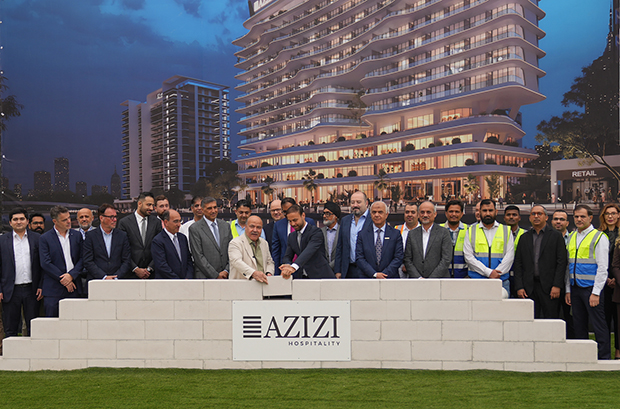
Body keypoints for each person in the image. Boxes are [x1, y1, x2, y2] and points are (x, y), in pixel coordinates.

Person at [566, 204, 611, 359]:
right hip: (575, 288)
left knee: (598, 325)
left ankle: (604, 357)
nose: (579, 219)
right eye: (576, 216)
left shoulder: (599, 237)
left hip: (591, 289)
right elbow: (568, 265)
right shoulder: (572, 236)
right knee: (579, 324)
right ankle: (583, 357)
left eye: (582, 216)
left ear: (590, 218)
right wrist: (568, 289)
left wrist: (596, 292)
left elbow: (603, 267)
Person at [513, 205, 567, 318]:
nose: (536, 216)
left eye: (539, 214)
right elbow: (518, 263)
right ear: (529, 218)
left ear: (546, 217)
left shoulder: (556, 236)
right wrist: (519, 287)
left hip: (550, 288)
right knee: (529, 320)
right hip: (528, 288)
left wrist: (557, 285)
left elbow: (561, 262)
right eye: (533, 214)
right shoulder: (524, 238)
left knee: (550, 320)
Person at [0, 208, 43, 337]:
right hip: (10, 290)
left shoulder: (38, 239)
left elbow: (42, 265)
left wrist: (41, 285)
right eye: (15, 219)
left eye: (22, 219)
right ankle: (11, 350)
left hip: (32, 290)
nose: (19, 222)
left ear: (27, 221)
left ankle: (32, 350)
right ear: (10, 222)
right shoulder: (2, 240)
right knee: (10, 328)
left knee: (33, 328)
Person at [39, 206, 84, 317]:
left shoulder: (77, 235)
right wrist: (64, 279)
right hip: (53, 289)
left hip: (74, 286)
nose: (69, 221)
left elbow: (83, 258)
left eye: (69, 218)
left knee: (74, 321)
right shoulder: (45, 238)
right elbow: (45, 263)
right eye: (64, 220)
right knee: (52, 322)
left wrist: (71, 275)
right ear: (55, 221)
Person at [463, 199, 514, 294]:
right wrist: (488, 272)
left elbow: (509, 256)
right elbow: (468, 257)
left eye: (490, 210)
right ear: (479, 212)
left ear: (496, 211)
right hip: (477, 280)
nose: (487, 213)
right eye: (484, 210)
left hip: (501, 281)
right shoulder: (470, 231)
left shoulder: (506, 230)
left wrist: (497, 274)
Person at [280, 205, 335, 279]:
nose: (293, 224)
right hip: (303, 277)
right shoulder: (291, 236)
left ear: (303, 215)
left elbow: (308, 251)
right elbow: (287, 256)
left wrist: (294, 267)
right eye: (290, 221)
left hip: (321, 277)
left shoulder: (316, 232)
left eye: (295, 220)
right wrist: (287, 265)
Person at [118, 191, 163, 279]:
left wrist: (149, 268)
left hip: (152, 274)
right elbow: (122, 249)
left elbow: (159, 248)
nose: (151, 208)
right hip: (130, 274)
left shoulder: (156, 222)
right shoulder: (124, 223)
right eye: (148, 205)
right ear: (139, 204)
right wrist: (135, 269)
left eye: (152, 205)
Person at [83, 204, 132, 281]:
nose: (115, 220)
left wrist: (116, 277)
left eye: (115, 217)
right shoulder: (90, 236)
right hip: (97, 281)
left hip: (118, 281)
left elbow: (126, 260)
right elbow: (88, 261)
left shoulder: (122, 235)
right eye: (111, 217)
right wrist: (104, 277)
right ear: (101, 218)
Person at [403, 201, 452, 278]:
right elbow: (408, 259)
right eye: (422, 212)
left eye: (428, 212)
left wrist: (430, 280)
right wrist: (419, 278)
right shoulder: (412, 234)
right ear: (418, 214)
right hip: (417, 281)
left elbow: (446, 259)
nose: (425, 215)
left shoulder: (444, 233)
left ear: (435, 214)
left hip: (439, 281)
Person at [355, 201, 403, 279]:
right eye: (374, 212)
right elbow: (359, 258)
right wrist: (374, 274)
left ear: (387, 214)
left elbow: (398, 258)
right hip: (368, 278)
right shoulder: (362, 234)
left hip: (390, 279)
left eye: (380, 212)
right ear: (370, 214)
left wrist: (384, 274)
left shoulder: (395, 234)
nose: (377, 215)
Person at [189, 197, 232, 279]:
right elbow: (198, 256)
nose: (213, 211)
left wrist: (226, 270)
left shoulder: (225, 226)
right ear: (202, 210)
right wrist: (216, 275)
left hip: (226, 277)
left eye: (215, 207)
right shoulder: (195, 228)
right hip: (205, 278)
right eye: (209, 208)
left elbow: (232, 250)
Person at [334, 191, 372, 278]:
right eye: (352, 202)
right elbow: (340, 247)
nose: (355, 205)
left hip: (368, 270)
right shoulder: (345, 221)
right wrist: (338, 270)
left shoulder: (373, 220)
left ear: (366, 203)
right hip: (348, 269)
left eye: (358, 202)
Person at [599, 203, 620, 359]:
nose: (610, 216)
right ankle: (604, 351)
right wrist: (605, 278)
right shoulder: (599, 234)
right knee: (604, 317)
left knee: (618, 319)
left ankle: (618, 350)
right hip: (602, 282)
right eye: (607, 214)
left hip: (618, 282)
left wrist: (615, 279)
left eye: (613, 213)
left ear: (618, 215)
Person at [270, 197, 316, 270]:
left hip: (306, 267)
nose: (288, 214)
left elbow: (312, 248)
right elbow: (276, 250)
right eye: (285, 212)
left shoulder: (309, 222)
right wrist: (276, 271)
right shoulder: (278, 225)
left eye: (290, 210)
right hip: (286, 267)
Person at [551, 209, 575, 339]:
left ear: (567, 223)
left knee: (570, 319)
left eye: (562, 219)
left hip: (569, 285)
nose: (558, 222)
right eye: (556, 219)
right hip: (551, 285)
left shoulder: (574, 239)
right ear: (551, 221)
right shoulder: (547, 238)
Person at [229, 215, 274, 282]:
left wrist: (269, 273)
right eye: (252, 226)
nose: (255, 230)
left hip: (262, 284)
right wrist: (253, 273)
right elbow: (236, 262)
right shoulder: (235, 243)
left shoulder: (264, 243)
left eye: (258, 227)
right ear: (245, 227)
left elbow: (269, 262)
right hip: (241, 285)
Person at [151, 210, 193, 279]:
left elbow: (188, 260)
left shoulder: (182, 238)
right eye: (175, 221)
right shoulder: (158, 241)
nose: (179, 224)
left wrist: (188, 277)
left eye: (180, 221)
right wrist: (177, 280)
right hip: (167, 282)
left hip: (185, 281)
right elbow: (161, 265)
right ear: (166, 222)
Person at [441, 200, 468, 278]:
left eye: (457, 212)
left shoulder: (468, 230)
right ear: (446, 213)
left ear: (462, 213)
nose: (453, 214)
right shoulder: (438, 229)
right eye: (451, 211)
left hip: (464, 276)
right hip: (442, 275)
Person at [395, 202, 419, 278]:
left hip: (418, 271)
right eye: (407, 212)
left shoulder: (424, 231)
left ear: (418, 215)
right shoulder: (396, 229)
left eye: (413, 212)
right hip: (399, 272)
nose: (409, 215)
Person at [321, 202, 340, 270]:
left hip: (339, 271)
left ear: (335, 216)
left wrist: (329, 266)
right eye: (324, 213)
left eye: (328, 214)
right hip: (323, 270)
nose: (324, 216)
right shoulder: (320, 232)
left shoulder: (343, 231)